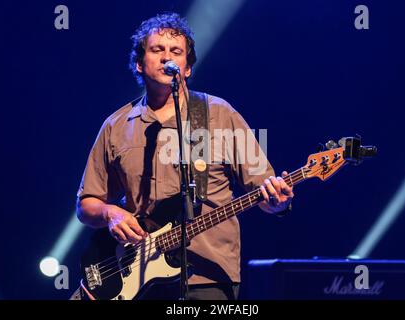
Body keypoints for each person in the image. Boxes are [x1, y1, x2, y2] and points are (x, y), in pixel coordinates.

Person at [75, 12, 294, 300]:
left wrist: (278, 202)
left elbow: (263, 189)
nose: (167, 57)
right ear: (139, 64)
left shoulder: (218, 114)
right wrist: (110, 213)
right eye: (157, 50)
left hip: (208, 278)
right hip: (134, 277)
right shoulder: (116, 126)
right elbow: (86, 204)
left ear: (187, 68)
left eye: (176, 52)